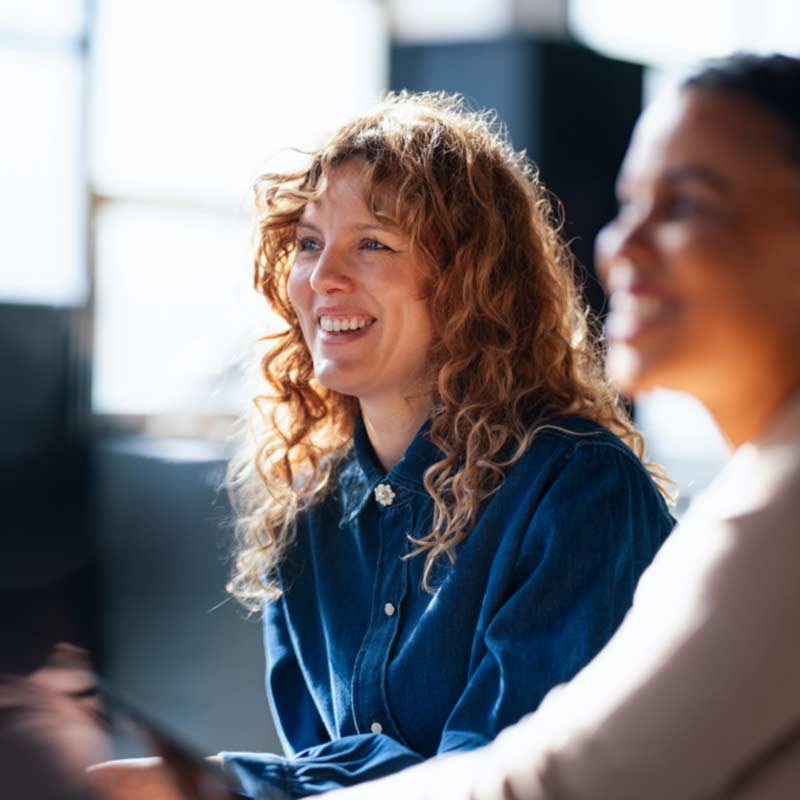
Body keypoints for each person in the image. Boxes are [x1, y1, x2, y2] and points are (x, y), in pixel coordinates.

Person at [87, 92, 673, 800]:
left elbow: (501, 781)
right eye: (308, 242)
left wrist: (217, 787)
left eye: (374, 242)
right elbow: (324, 775)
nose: (323, 277)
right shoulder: (309, 520)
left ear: (469, 283)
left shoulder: (579, 489)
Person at [314, 52, 800, 800]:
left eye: (687, 205)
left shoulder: (771, 516)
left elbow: (556, 784)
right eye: (630, 203)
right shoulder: (752, 498)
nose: (620, 246)